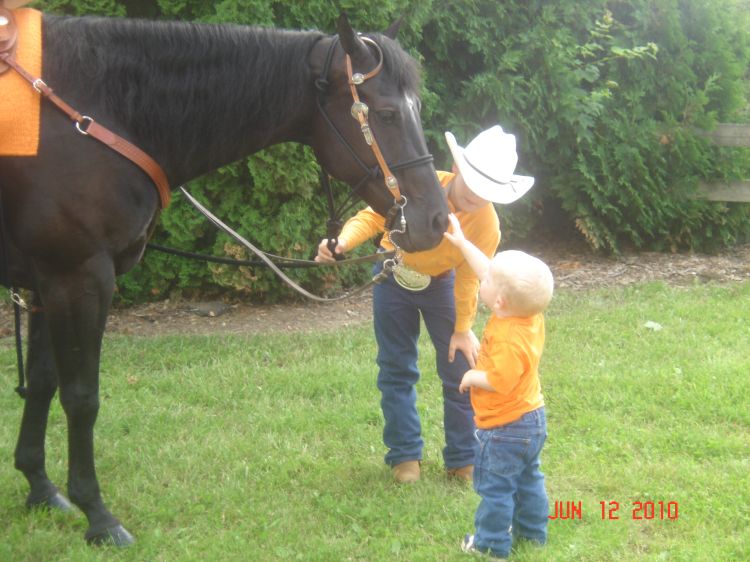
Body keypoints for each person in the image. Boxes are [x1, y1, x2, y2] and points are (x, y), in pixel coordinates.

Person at [316, 125, 535, 483]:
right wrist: (342, 242)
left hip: (442, 288)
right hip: (392, 276)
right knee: (395, 369)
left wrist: (463, 329)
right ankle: (405, 457)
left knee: (458, 371)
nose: (478, 198)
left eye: (489, 192)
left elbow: (468, 278)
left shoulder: (487, 224)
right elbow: (374, 216)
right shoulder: (421, 183)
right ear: (457, 167)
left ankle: (462, 458)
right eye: (475, 185)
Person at [443, 214, 554, 559]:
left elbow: (500, 381)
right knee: (529, 479)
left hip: (505, 428)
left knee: (496, 488)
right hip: (531, 420)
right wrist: (462, 243)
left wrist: (472, 376)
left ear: (499, 301)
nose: (483, 278)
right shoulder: (526, 315)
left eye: (488, 280)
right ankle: (534, 535)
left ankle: (490, 544)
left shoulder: (508, 338)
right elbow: (488, 270)